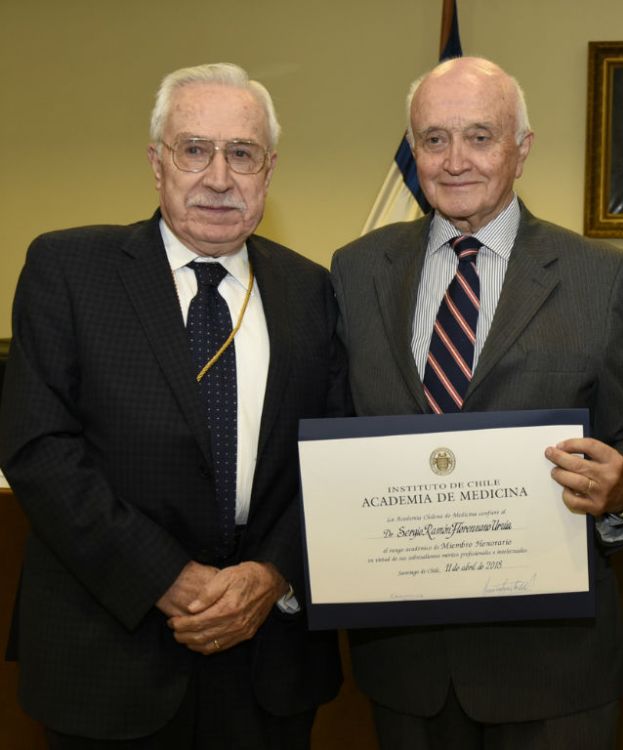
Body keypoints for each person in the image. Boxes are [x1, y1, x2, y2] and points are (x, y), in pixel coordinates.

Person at [0, 63, 348, 747]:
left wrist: (271, 572)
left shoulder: (311, 290)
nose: (219, 178)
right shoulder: (70, 271)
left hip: (267, 665)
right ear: (157, 162)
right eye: (194, 149)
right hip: (107, 655)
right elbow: (39, 449)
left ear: (269, 170)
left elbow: (333, 456)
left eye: (241, 154)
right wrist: (165, 577)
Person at [330, 56, 623, 749]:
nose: (455, 160)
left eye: (480, 137)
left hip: (553, 669)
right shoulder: (355, 270)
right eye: (434, 139)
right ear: (412, 149)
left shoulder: (598, 277)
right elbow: (334, 437)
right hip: (407, 668)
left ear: (522, 147)